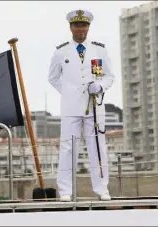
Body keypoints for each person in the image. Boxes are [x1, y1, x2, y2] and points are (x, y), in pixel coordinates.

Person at [48, 9, 115, 201]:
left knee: (97, 146)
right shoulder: (61, 52)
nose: (80, 30)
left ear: (88, 27)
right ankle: (66, 191)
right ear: (71, 28)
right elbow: (53, 78)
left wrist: (100, 86)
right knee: (68, 147)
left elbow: (109, 76)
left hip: (95, 107)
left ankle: (102, 189)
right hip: (70, 108)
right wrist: (69, 93)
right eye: (77, 26)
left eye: (84, 26)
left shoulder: (99, 50)